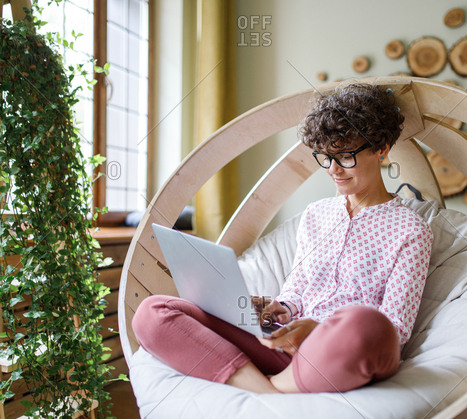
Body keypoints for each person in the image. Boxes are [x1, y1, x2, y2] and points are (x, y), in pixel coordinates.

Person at [132, 82, 433, 394]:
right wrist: (282, 309)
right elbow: (298, 290)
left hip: (337, 354)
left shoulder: (411, 230)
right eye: (325, 157)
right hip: (281, 349)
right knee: (154, 312)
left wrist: (319, 330)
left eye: (345, 157)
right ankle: (266, 391)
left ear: (381, 148)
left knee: (364, 324)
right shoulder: (315, 215)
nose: (333, 169)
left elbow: (395, 330)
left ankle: (263, 385)